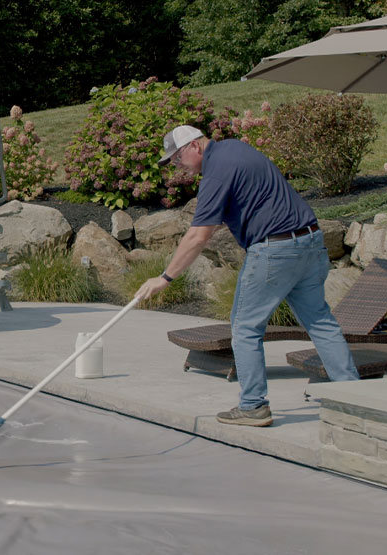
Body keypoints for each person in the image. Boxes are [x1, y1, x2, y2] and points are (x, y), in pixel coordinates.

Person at [136, 125, 359, 427]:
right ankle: (356, 400)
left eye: (177, 159)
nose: (177, 167)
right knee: (320, 322)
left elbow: (198, 236)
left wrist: (165, 278)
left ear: (194, 147)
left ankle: (253, 406)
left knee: (244, 328)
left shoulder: (215, 171)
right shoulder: (236, 149)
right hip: (310, 241)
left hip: (275, 249)